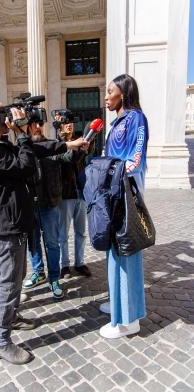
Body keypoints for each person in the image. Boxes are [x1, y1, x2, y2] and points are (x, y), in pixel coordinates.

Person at [0, 99, 87, 365]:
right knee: (9, 283)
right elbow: (26, 165)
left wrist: (68, 144)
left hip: (12, 221)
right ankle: (0, 341)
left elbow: (35, 151)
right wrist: (20, 134)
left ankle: (12, 316)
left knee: (17, 278)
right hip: (7, 224)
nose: (8, 113)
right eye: (1, 110)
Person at [99, 73, 149, 339]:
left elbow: (135, 159)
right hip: (113, 194)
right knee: (115, 251)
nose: (106, 97)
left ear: (124, 93)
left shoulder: (136, 119)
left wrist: (113, 176)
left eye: (110, 92)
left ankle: (130, 320)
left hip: (126, 195)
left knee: (127, 251)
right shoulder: (116, 122)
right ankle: (119, 304)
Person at [23, 118, 64, 299]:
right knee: (33, 242)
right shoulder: (23, 148)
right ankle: (38, 272)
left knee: (52, 243)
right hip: (30, 204)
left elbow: (69, 156)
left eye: (40, 124)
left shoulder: (52, 145)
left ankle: (54, 277)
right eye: (33, 125)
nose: (37, 128)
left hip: (50, 203)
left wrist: (78, 144)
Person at [55, 115, 91, 279]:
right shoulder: (57, 145)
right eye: (65, 123)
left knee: (81, 232)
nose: (69, 125)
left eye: (70, 122)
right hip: (66, 195)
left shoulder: (79, 140)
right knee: (63, 234)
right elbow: (70, 159)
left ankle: (80, 263)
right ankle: (64, 266)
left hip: (81, 193)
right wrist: (79, 148)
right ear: (59, 126)